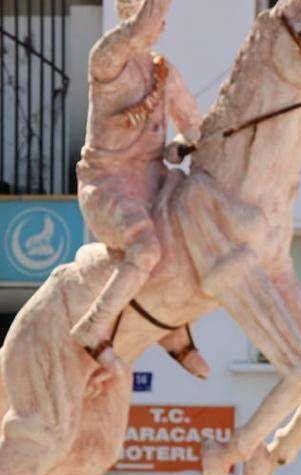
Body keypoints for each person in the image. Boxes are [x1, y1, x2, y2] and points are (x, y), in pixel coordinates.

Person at [73, 0, 209, 379]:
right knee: (146, 248)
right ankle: (94, 327)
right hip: (109, 186)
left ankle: (174, 329)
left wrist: (182, 143)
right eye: (154, 15)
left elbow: (193, 124)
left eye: (163, 19)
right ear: (128, 13)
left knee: (200, 233)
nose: (160, 25)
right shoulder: (107, 59)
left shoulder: (162, 71)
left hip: (156, 182)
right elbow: (139, 30)